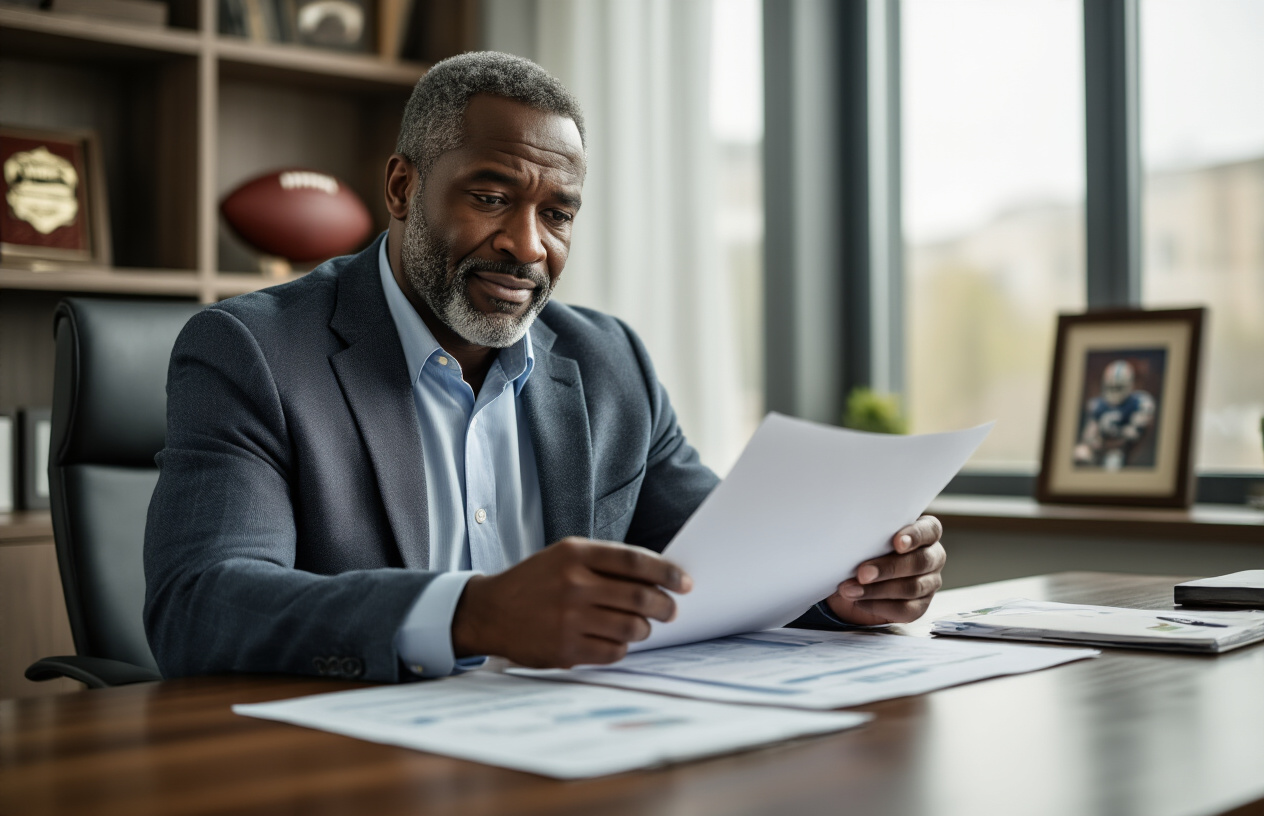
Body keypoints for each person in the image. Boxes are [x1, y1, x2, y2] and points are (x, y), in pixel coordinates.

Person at [144, 52, 946, 682]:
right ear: (401, 187)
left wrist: (843, 588)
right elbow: (201, 605)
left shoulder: (609, 361)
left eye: (557, 214)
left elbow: (721, 561)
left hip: (567, 749)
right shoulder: (254, 351)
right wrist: (471, 614)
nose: (529, 246)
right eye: (490, 197)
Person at [1073, 359, 1157, 470]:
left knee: (1113, 461)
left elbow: (1133, 435)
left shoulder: (1140, 403)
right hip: (1101, 446)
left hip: (1120, 449)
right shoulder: (1097, 405)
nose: (1114, 391)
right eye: (1111, 387)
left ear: (1130, 384)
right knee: (1080, 453)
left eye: (1118, 387)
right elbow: (1089, 435)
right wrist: (1094, 441)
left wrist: (1115, 439)